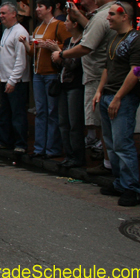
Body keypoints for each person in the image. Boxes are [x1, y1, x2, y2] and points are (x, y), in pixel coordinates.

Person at [52, 0, 121, 176]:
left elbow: (87, 45)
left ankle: (111, 166)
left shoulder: (103, 16)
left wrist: (61, 53)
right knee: (101, 123)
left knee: (102, 124)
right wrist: (77, 15)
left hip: (98, 75)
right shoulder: (101, 16)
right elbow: (92, 29)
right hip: (99, 74)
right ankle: (108, 163)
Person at [92, 2, 140, 206]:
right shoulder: (114, 38)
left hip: (123, 98)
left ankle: (132, 188)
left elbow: (137, 70)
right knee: (112, 143)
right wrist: (99, 90)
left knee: (123, 144)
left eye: (112, 14)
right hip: (108, 95)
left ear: (125, 16)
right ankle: (121, 182)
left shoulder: (137, 39)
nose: (108, 18)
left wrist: (118, 97)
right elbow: (107, 67)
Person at [20, 0, 69, 158]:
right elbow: (34, 51)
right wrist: (26, 44)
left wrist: (54, 46)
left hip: (52, 74)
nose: (37, 9)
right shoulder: (38, 28)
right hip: (38, 73)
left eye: (41, 6)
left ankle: (52, 148)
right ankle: (40, 148)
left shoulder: (59, 26)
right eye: (37, 6)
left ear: (49, 8)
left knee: (52, 111)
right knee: (41, 111)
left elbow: (68, 46)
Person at [0, 2, 30, 153]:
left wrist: (13, 80)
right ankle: (4, 140)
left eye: (4, 13)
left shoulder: (20, 32)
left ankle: (20, 143)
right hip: (3, 78)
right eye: (0, 13)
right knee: (5, 113)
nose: (1, 16)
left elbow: (21, 60)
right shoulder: (7, 31)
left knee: (18, 113)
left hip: (16, 81)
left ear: (14, 14)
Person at [53, 12, 86, 168]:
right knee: (63, 122)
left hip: (75, 85)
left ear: (75, 24)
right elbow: (60, 63)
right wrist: (59, 57)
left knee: (74, 123)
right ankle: (69, 154)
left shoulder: (83, 43)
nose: (64, 23)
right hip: (63, 84)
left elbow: (74, 64)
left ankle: (78, 156)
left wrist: (60, 55)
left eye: (67, 21)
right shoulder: (67, 41)